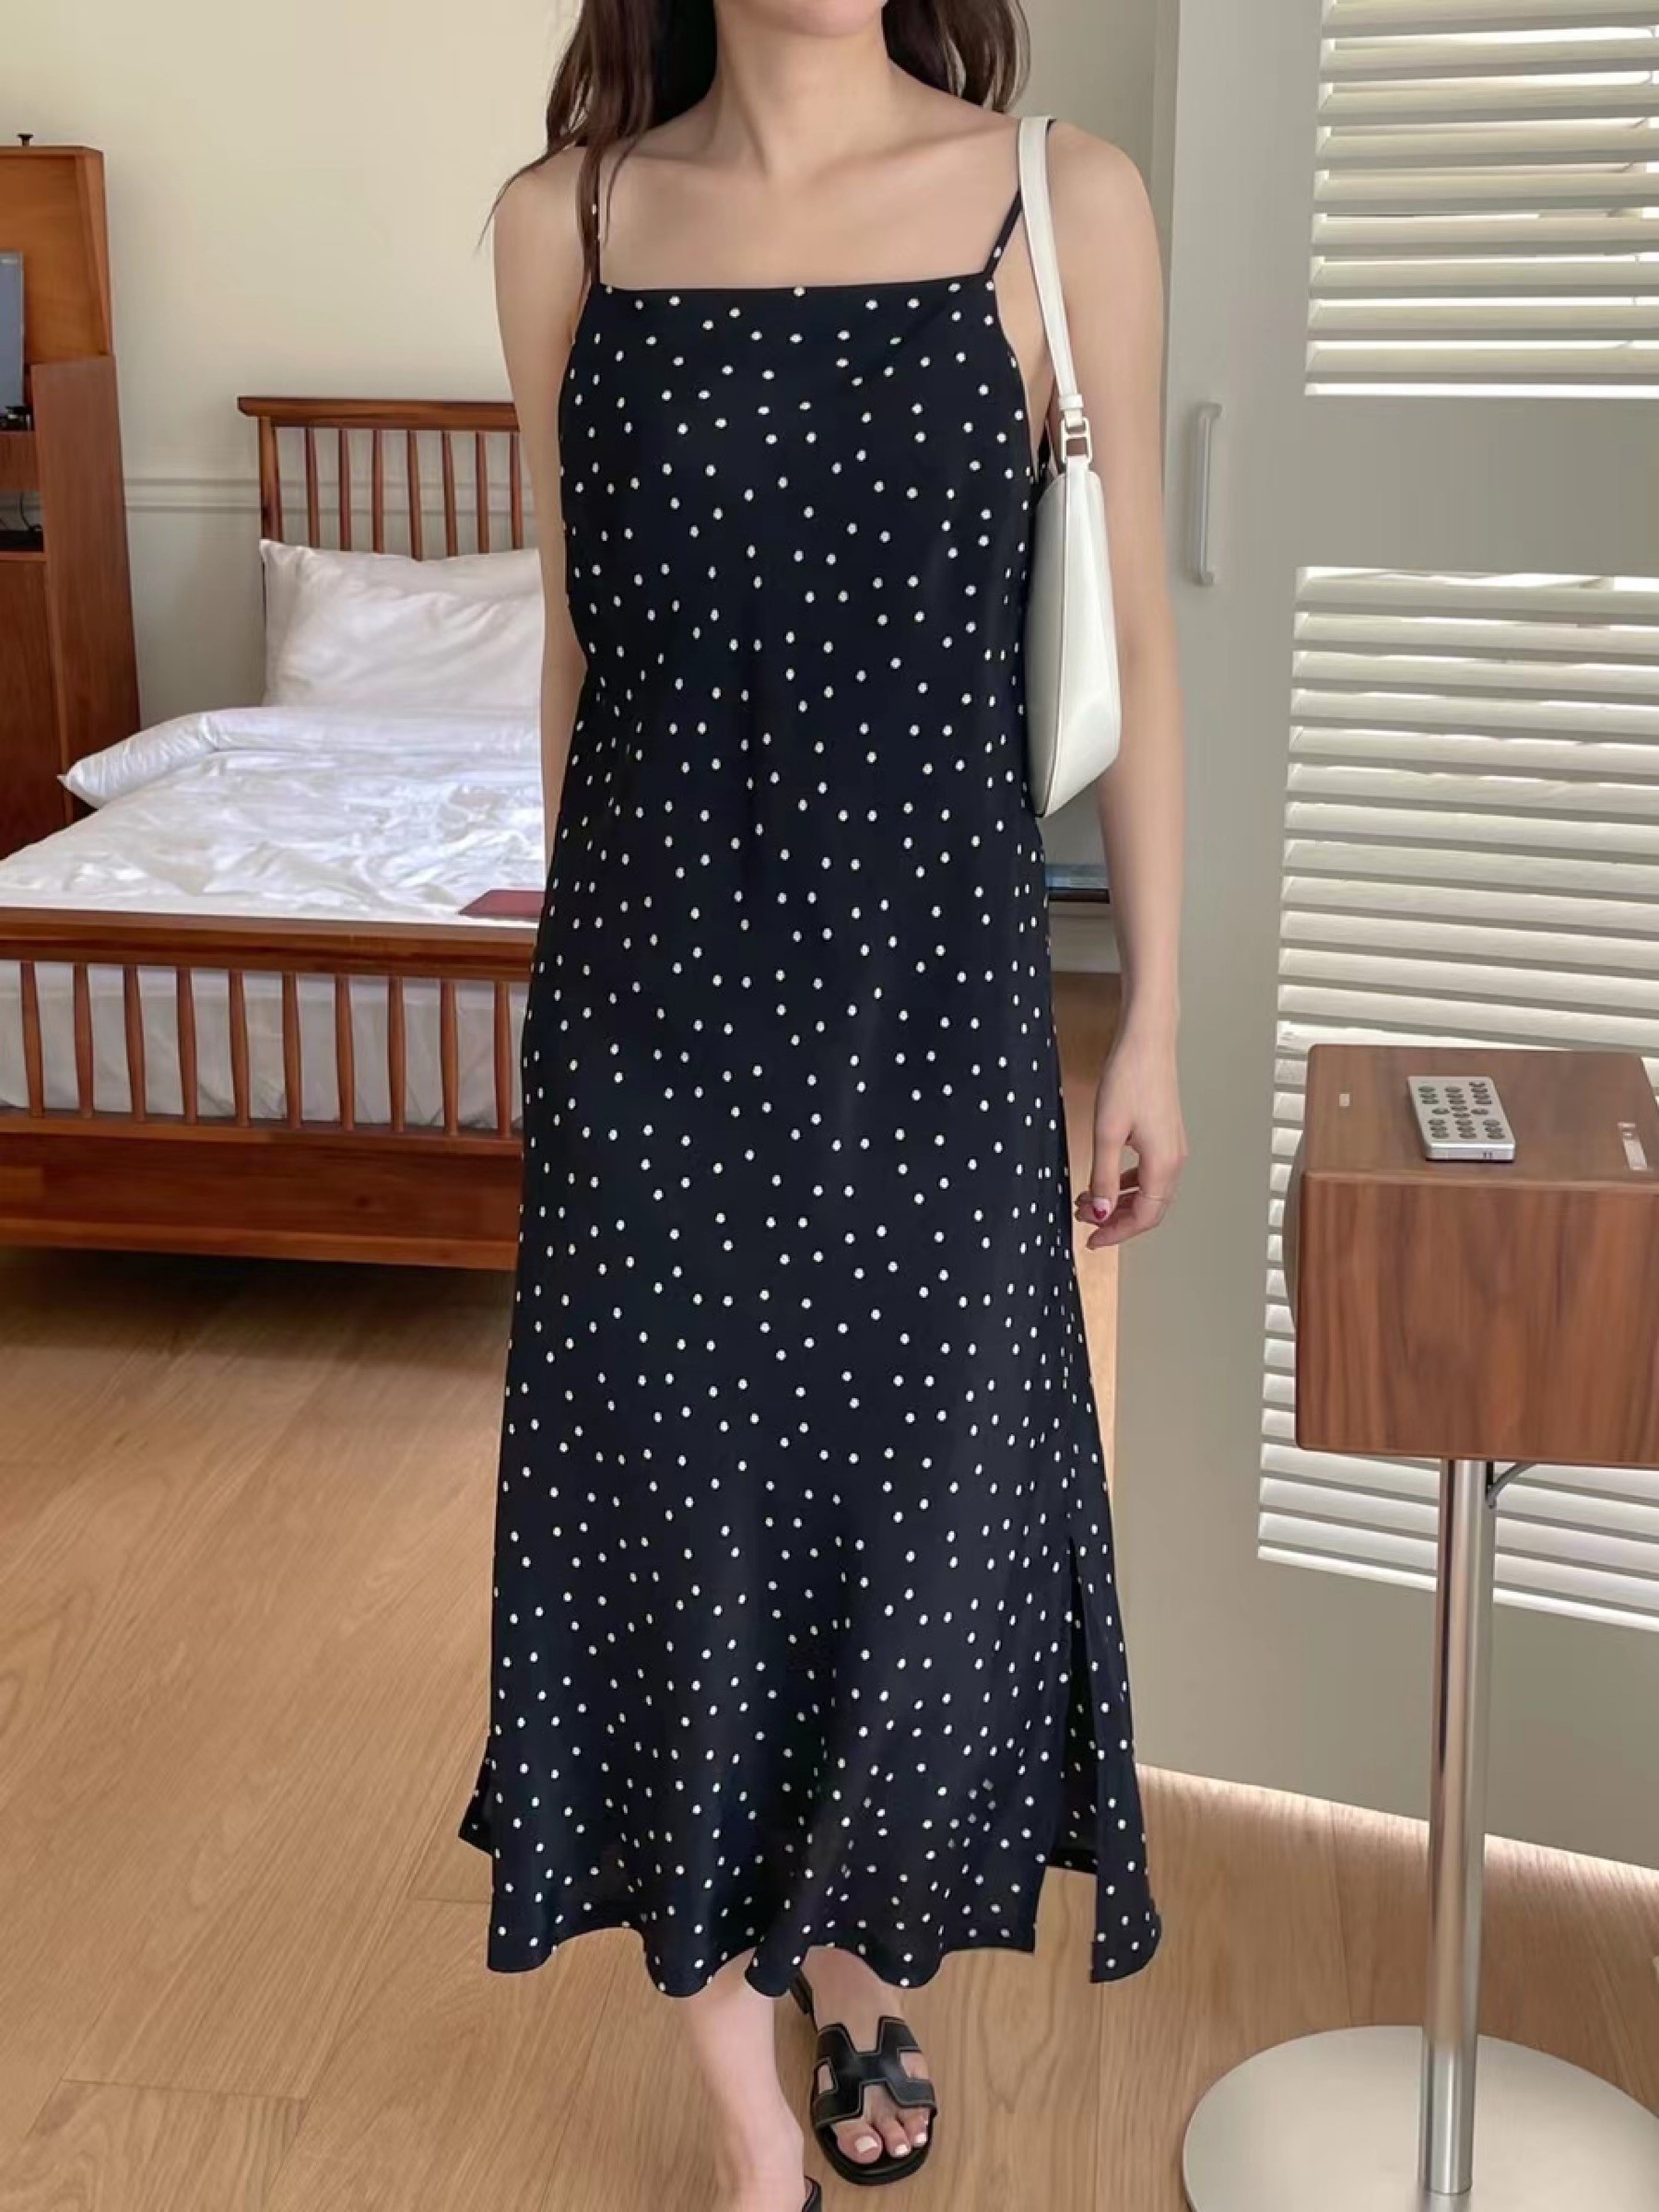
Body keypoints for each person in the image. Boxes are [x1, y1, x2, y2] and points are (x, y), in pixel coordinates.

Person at [457, 6, 1187, 2208]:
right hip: (654, 1020)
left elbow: (1135, 645)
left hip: (931, 1026)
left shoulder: (1060, 200)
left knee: (910, 1530)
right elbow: (576, 634)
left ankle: (856, 1954)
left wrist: (1155, 1017)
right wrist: (570, 976)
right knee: (670, 1542)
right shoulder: (568, 222)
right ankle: (746, 2106)